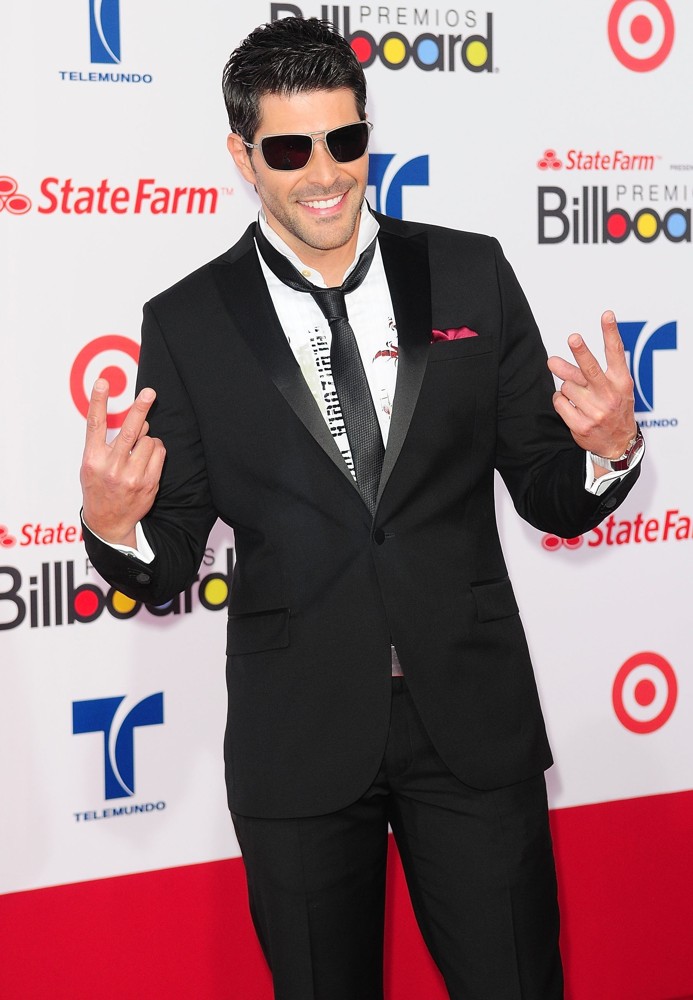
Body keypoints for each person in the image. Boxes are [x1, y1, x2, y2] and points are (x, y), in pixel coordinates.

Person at [80, 16, 644, 1000]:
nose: (327, 172)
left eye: (346, 139)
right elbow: (168, 555)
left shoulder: (470, 271)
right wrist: (113, 520)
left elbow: (547, 489)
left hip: (471, 723)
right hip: (297, 736)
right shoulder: (187, 321)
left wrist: (607, 455)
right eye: (291, 149)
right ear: (242, 156)